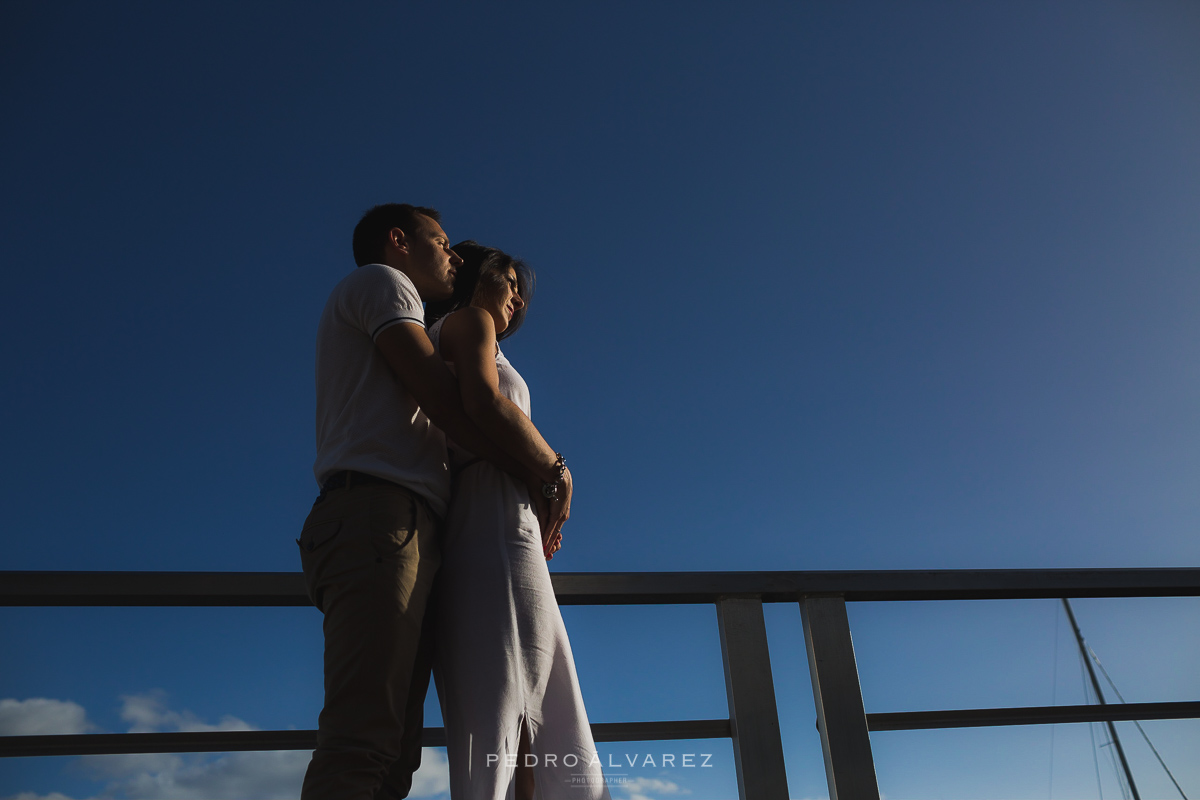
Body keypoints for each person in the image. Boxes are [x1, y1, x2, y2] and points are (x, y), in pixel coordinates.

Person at [298, 205, 570, 800]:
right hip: (377, 513)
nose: (452, 255)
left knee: (393, 751)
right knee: (367, 739)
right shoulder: (382, 281)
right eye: (441, 242)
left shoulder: (415, 312)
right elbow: (451, 401)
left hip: (400, 522)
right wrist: (545, 471)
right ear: (398, 241)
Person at [426, 242, 608, 800]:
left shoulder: (453, 332)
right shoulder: (469, 320)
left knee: (517, 702)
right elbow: (482, 402)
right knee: (519, 694)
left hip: (494, 515)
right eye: (509, 281)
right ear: (478, 279)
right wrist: (557, 470)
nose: (518, 297)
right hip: (493, 518)